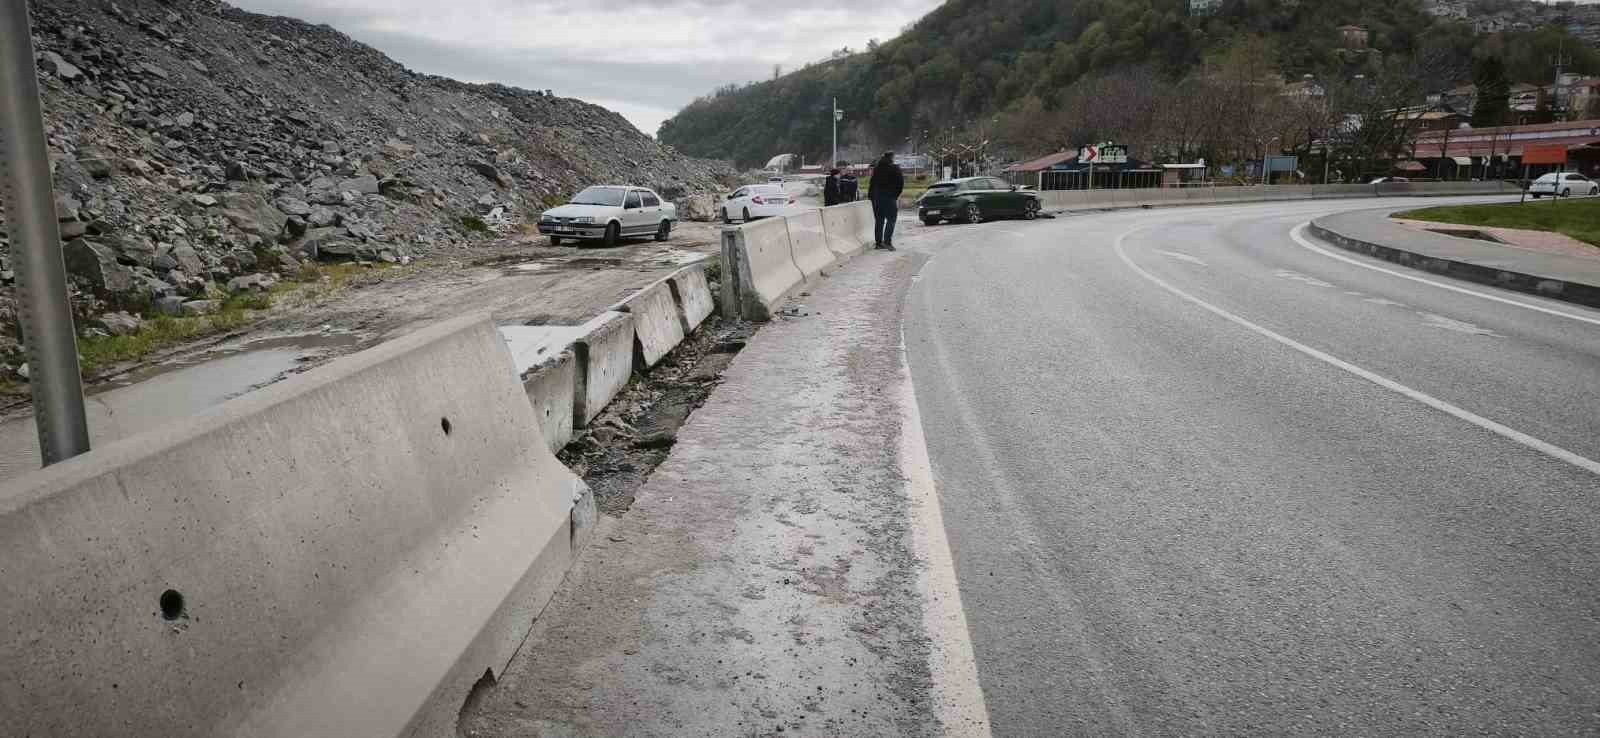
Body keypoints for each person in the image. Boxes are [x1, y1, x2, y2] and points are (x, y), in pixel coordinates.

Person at [867, 152, 904, 250]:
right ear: (892, 157)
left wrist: (871, 197)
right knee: (891, 219)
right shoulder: (895, 168)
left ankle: (878, 243)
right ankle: (887, 242)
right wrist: (895, 196)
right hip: (889, 198)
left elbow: (872, 184)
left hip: (877, 198)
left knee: (879, 221)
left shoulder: (877, 169)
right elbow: (900, 184)